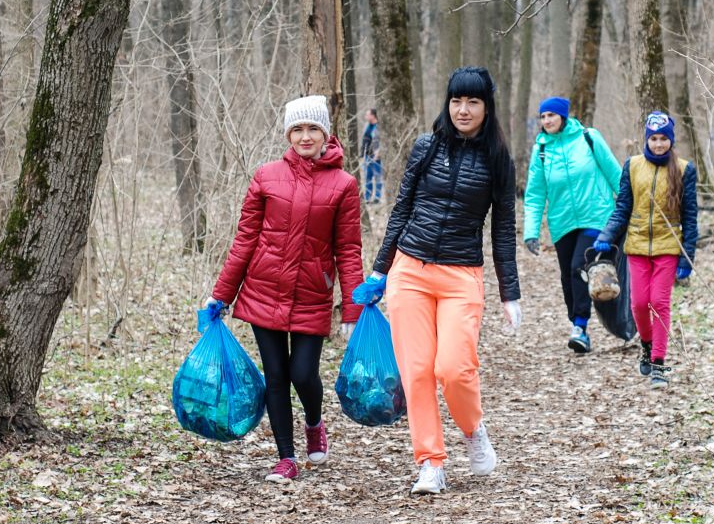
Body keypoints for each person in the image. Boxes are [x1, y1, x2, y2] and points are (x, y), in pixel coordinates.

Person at [358, 67, 521, 495]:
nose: (463, 110)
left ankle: (473, 430)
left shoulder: (498, 159)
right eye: (456, 101)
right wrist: (380, 269)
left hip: (461, 274)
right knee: (416, 371)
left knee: (453, 368)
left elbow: (503, 227)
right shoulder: (427, 147)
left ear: (487, 107)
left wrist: (511, 293)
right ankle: (430, 462)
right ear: (447, 104)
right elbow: (401, 209)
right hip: (409, 270)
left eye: (473, 102)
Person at [207, 95, 364, 482]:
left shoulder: (344, 185)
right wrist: (221, 294)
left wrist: (353, 308)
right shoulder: (266, 176)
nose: (305, 136)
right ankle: (286, 457)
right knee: (275, 375)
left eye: (313, 129)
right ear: (288, 134)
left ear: (325, 133)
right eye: (297, 129)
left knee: (303, 373)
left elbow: (348, 249)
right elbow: (245, 240)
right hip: (264, 290)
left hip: (312, 294)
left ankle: (314, 423)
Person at [594, 111, 698, 389]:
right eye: (654, 138)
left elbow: (690, 217)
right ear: (647, 139)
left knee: (659, 303)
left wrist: (688, 256)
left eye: (664, 138)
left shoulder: (685, 170)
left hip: (668, 246)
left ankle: (659, 364)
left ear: (671, 140)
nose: (659, 144)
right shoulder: (632, 166)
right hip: (637, 246)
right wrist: (607, 235)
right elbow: (622, 208)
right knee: (640, 304)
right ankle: (647, 343)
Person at [522, 96, 622, 354]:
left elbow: (615, 174)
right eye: (543, 117)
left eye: (551, 116)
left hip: (597, 215)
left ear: (563, 117)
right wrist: (531, 232)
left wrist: (627, 211)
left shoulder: (589, 138)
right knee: (568, 275)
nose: (546, 121)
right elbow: (534, 194)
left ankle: (580, 327)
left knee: (580, 265)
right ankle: (578, 323)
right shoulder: (541, 151)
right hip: (562, 222)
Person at [361, 108, 383, 203]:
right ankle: (367, 198)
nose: (366, 116)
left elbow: (382, 141)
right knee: (367, 177)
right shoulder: (367, 125)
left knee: (378, 176)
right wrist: (362, 154)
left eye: (367, 114)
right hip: (367, 156)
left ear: (373, 115)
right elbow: (364, 140)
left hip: (376, 156)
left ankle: (377, 197)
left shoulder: (379, 127)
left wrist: (378, 152)